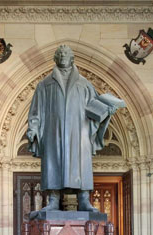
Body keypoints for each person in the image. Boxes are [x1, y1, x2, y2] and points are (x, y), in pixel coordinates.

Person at [26, 45, 118, 214]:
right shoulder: (44, 85)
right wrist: (33, 128)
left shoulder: (85, 84)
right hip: (53, 132)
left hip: (79, 131)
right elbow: (36, 111)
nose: (63, 56)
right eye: (59, 53)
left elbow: (95, 109)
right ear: (55, 58)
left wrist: (106, 111)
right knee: (53, 162)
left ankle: (84, 199)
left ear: (72, 58)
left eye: (66, 53)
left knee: (81, 163)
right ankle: (53, 199)